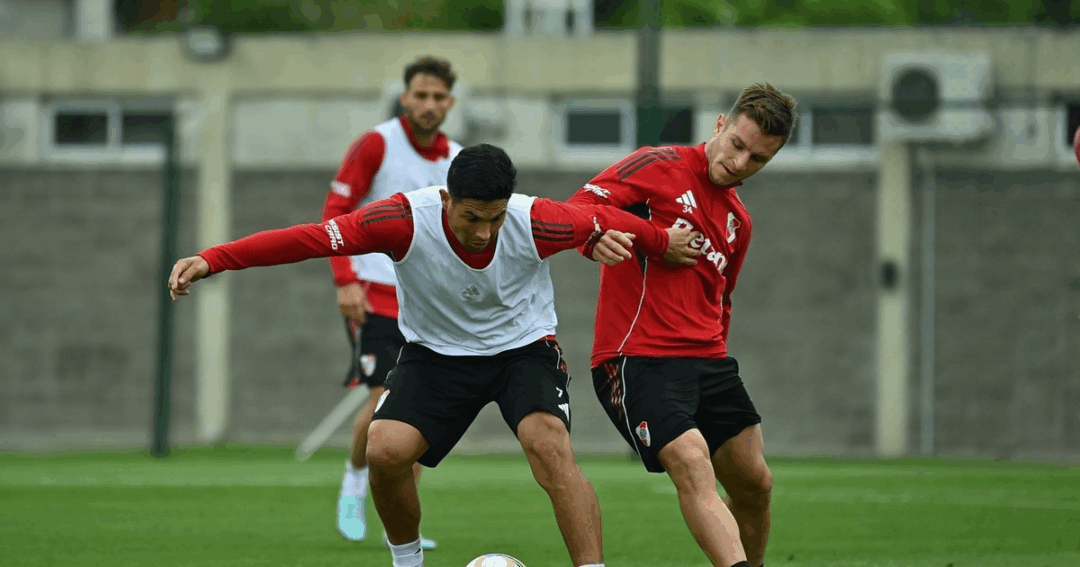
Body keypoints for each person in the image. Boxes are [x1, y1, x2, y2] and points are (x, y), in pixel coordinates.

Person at [168, 144, 700, 567]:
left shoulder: (539, 221)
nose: (484, 231)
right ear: (446, 198)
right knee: (384, 450)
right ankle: (407, 559)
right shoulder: (399, 220)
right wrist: (214, 260)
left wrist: (661, 240)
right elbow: (309, 239)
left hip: (523, 351)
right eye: (472, 217)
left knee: (549, 444)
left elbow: (607, 220)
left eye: (494, 217)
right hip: (435, 355)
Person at [567, 83, 798, 567]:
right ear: (719, 124)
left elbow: (722, 301)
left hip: (708, 362)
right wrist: (652, 239)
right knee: (693, 463)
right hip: (637, 358)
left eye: (757, 159)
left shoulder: (739, 221)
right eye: (737, 145)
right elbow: (577, 209)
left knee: (756, 483)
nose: (740, 164)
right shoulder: (657, 164)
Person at [323, 55, 461, 547]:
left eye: (438, 97)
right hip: (374, 294)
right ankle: (354, 482)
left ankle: (400, 527)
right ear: (405, 97)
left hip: (427, 304)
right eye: (419, 95)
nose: (428, 104)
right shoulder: (378, 143)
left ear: (450, 102)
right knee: (384, 400)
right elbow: (336, 210)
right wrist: (345, 279)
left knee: (416, 413)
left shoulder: (459, 159)